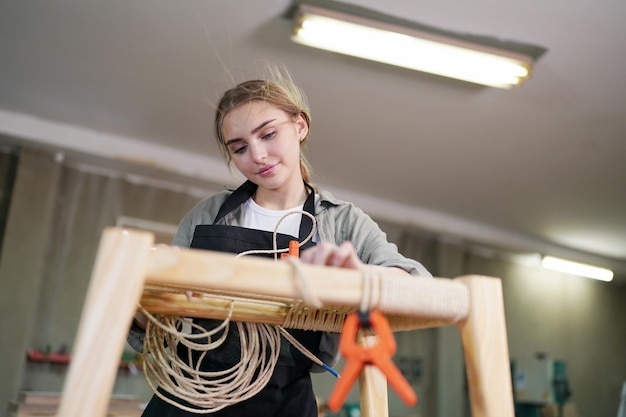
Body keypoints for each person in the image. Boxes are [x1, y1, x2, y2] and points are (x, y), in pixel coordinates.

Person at [128, 66, 431, 417]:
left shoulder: (342, 221)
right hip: (190, 396)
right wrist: (148, 294)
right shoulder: (207, 215)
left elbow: (415, 285)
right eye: (239, 148)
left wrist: (358, 278)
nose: (256, 155)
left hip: (283, 402)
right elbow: (155, 330)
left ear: (299, 126)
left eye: (268, 134)